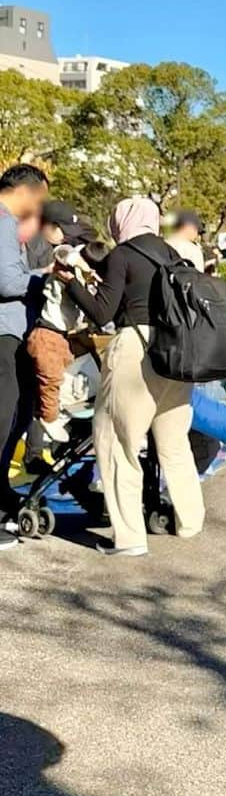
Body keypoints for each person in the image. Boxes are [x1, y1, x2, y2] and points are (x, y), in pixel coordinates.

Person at [60, 198, 204, 557]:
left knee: (115, 441)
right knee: (173, 442)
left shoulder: (123, 255)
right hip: (177, 354)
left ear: (120, 221)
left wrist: (70, 284)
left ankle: (129, 538)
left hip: (136, 350)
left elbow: (101, 312)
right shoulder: (174, 256)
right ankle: (190, 522)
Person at [24, 201, 98, 464]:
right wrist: (83, 265)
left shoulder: (63, 254)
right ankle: (49, 418)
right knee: (50, 380)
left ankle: (51, 420)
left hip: (62, 335)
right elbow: (67, 253)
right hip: (47, 333)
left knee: (58, 379)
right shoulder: (63, 252)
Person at [0, 164, 49, 537]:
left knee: (18, 412)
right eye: (40, 198)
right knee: (6, 413)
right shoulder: (2, 223)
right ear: (25, 191)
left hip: (11, 331)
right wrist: (45, 277)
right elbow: (8, 280)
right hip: (6, 332)